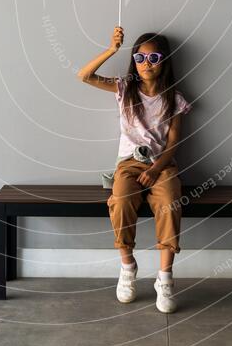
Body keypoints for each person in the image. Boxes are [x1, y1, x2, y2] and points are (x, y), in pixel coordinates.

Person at [77, 26, 192, 313]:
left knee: (169, 203)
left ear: (165, 61)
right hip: (127, 164)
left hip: (162, 164)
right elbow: (84, 76)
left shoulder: (174, 98)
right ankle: (128, 267)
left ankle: (164, 279)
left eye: (154, 58)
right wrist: (112, 49)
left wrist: (156, 170)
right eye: (140, 58)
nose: (146, 64)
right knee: (121, 201)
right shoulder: (124, 88)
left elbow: (174, 141)